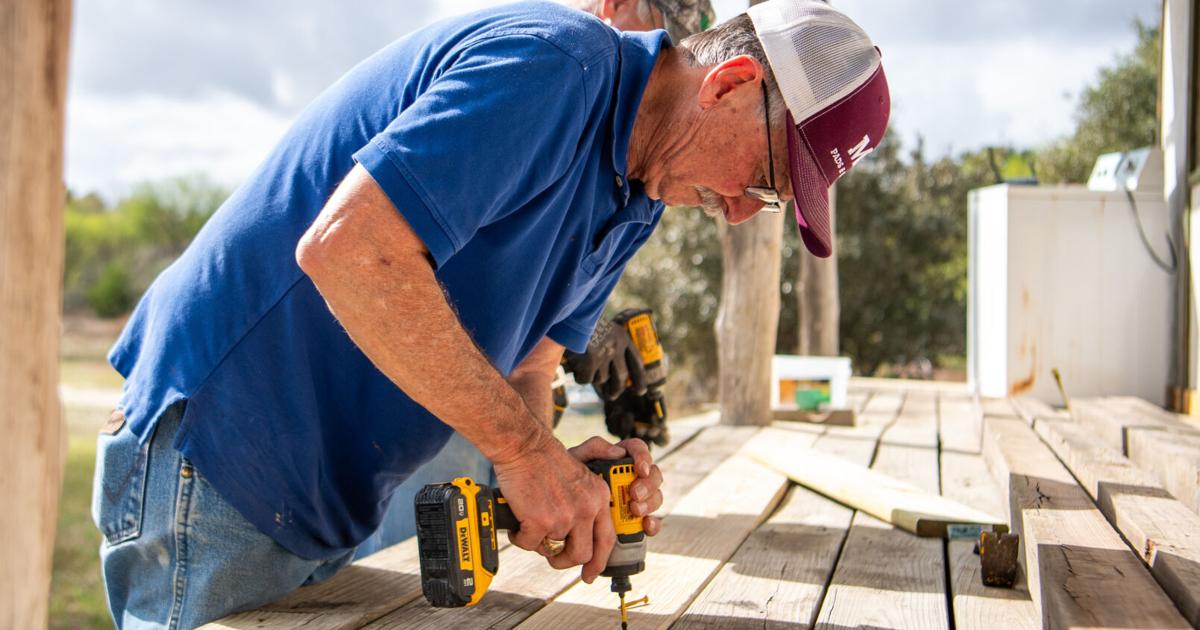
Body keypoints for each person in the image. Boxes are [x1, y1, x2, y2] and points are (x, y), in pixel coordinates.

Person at [93, 0, 889, 627]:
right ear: (730, 84)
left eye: (770, 203)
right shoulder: (554, 67)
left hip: (325, 493)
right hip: (222, 452)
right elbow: (346, 250)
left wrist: (556, 477)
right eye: (763, 180)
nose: (742, 215)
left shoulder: (641, 195)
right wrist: (521, 451)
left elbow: (531, 363)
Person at [353, 0, 716, 560]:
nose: (662, 72)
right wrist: (527, 450)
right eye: (661, 47)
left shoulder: (637, 184)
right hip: (374, 408)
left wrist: (550, 461)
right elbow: (371, 248)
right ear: (614, 7)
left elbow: (531, 351)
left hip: (457, 430)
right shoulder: (542, 68)